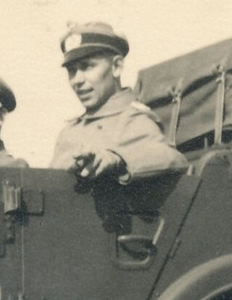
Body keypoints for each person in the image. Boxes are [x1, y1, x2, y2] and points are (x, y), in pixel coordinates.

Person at [50, 22, 188, 183]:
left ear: (116, 66)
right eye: (72, 71)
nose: (77, 80)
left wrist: (119, 159)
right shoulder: (68, 131)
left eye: (87, 66)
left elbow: (172, 158)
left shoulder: (132, 120)